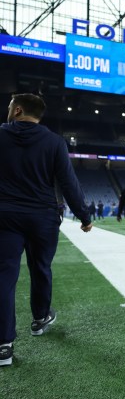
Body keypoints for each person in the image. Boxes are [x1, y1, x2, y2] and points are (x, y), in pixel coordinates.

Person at [0, 93, 92, 367]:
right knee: (41, 267)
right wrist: (84, 215)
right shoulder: (54, 141)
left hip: (5, 215)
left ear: (17, 110)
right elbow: (68, 182)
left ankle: (4, 345)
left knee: (4, 276)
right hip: (42, 216)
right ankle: (39, 319)